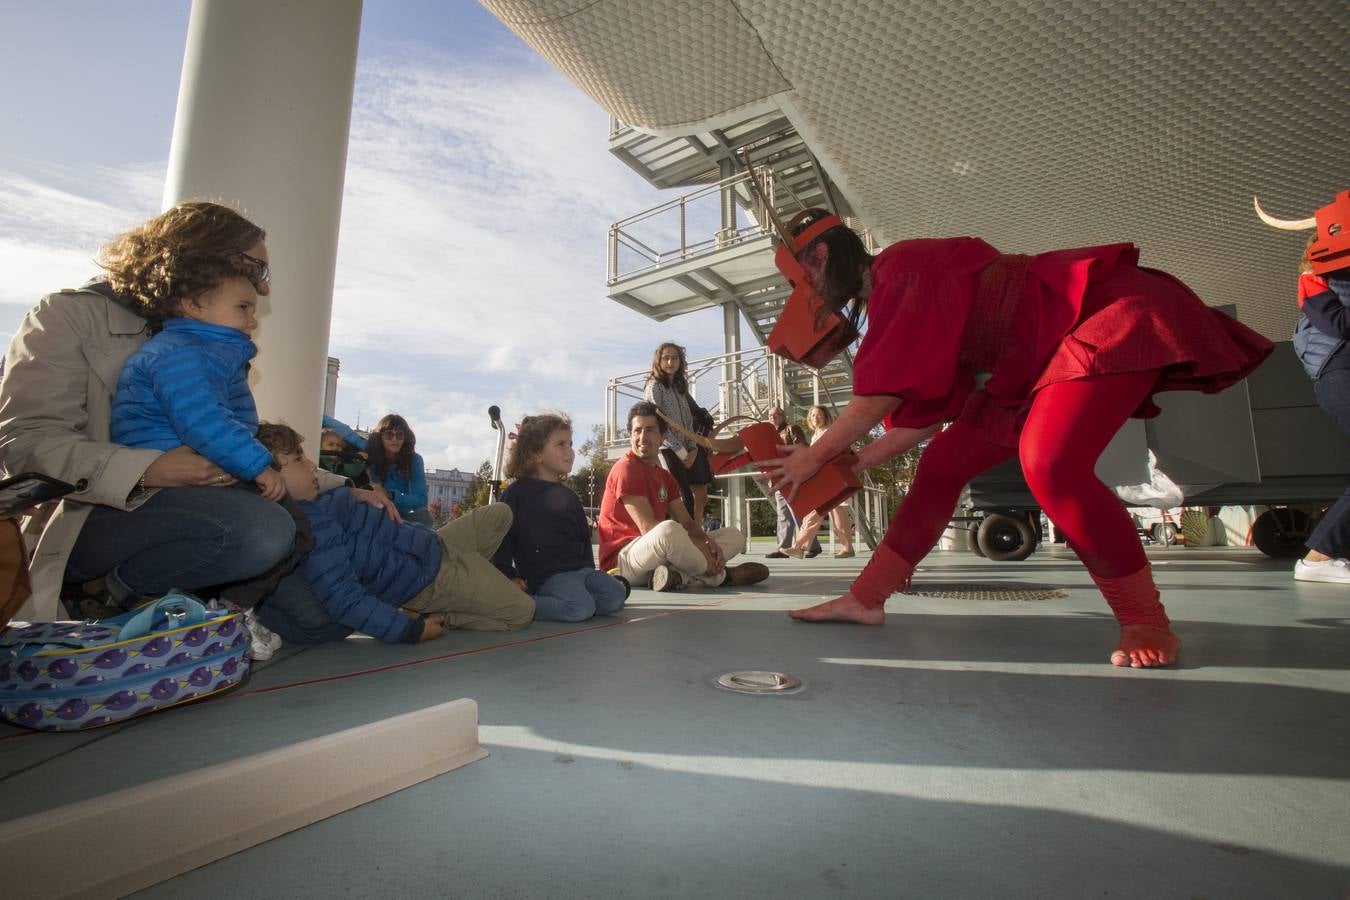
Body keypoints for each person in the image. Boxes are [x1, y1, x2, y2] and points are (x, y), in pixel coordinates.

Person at [764, 209, 1272, 668]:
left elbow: (879, 400)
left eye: (797, 277)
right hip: (1030, 363)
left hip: (1101, 317)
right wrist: (847, 465)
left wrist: (814, 458)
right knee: (943, 464)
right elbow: (921, 420)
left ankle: (1146, 620)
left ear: (821, 254)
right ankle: (865, 598)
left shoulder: (903, 270)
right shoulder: (893, 288)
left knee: (1050, 464)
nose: (801, 292)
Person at [0, 201, 396, 626]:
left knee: (317, 621)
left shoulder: (216, 336)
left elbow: (242, 435)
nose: (263, 290)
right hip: (91, 517)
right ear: (205, 257)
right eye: (257, 269)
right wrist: (150, 469)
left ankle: (190, 613)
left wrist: (339, 484)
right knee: (264, 532)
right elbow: (27, 444)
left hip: (209, 507)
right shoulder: (68, 316)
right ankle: (108, 596)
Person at [256, 423, 534, 641]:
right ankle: (441, 610)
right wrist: (409, 631)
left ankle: (477, 582)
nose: (311, 466)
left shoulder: (327, 498)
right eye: (297, 461)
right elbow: (344, 598)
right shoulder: (309, 531)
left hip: (433, 544)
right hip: (424, 581)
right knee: (522, 612)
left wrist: (355, 492)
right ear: (268, 480)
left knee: (501, 513)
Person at [109, 245, 286, 503]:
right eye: (242, 307)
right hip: (171, 476)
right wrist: (257, 466)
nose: (253, 320)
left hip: (195, 463)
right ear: (193, 306)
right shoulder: (184, 355)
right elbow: (204, 420)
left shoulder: (198, 351)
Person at [598, 402, 768, 592]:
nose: (642, 437)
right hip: (624, 561)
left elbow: (687, 522)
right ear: (630, 435)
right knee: (669, 530)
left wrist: (705, 541)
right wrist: (697, 544)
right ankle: (720, 577)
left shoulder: (665, 477)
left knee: (733, 535)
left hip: (657, 557)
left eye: (650, 430)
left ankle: (676, 576)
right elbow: (648, 528)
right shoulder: (626, 468)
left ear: (663, 437)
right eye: (637, 431)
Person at [491, 413, 627, 621]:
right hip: (546, 576)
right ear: (536, 454)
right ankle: (520, 604)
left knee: (615, 594)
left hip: (580, 571)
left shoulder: (570, 496)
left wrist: (590, 573)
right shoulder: (516, 493)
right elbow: (502, 538)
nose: (570, 452)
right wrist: (508, 576)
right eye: (561, 444)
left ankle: (577, 600)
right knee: (579, 608)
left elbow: (583, 539)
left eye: (570, 444)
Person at [1289, 240, 1350, 583]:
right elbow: (1338, 324)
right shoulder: (1314, 279)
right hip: (1340, 373)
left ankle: (1322, 555)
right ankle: (1319, 557)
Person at [643, 342, 714, 527]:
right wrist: (681, 450)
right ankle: (679, 541)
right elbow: (658, 424)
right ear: (659, 361)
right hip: (667, 449)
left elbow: (688, 422)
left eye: (674, 358)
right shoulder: (654, 387)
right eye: (666, 358)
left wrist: (692, 448)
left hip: (686, 448)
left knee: (691, 496)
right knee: (681, 496)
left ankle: (690, 540)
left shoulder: (680, 387)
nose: (670, 362)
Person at [783, 405, 856, 559]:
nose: (815, 418)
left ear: (826, 416)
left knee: (815, 512)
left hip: (831, 478)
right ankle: (848, 547)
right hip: (827, 479)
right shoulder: (817, 434)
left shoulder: (829, 432)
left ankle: (799, 546)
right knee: (837, 514)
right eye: (813, 415)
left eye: (819, 415)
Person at [762, 406, 819, 559]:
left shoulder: (791, 429)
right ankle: (784, 548)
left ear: (783, 416)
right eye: (770, 415)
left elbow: (802, 448)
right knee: (783, 514)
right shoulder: (768, 434)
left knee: (797, 511)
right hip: (777, 478)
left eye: (776, 414)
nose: (773, 417)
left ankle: (810, 545)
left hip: (792, 475)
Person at [366, 413, 434, 528]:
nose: (394, 439)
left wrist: (391, 495)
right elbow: (347, 434)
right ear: (380, 437)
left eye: (400, 435)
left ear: (405, 438)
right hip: (376, 513)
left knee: (424, 516)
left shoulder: (414, 460)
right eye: (389, 434)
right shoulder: (371, 456)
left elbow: (421, 500)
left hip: (402, 518)